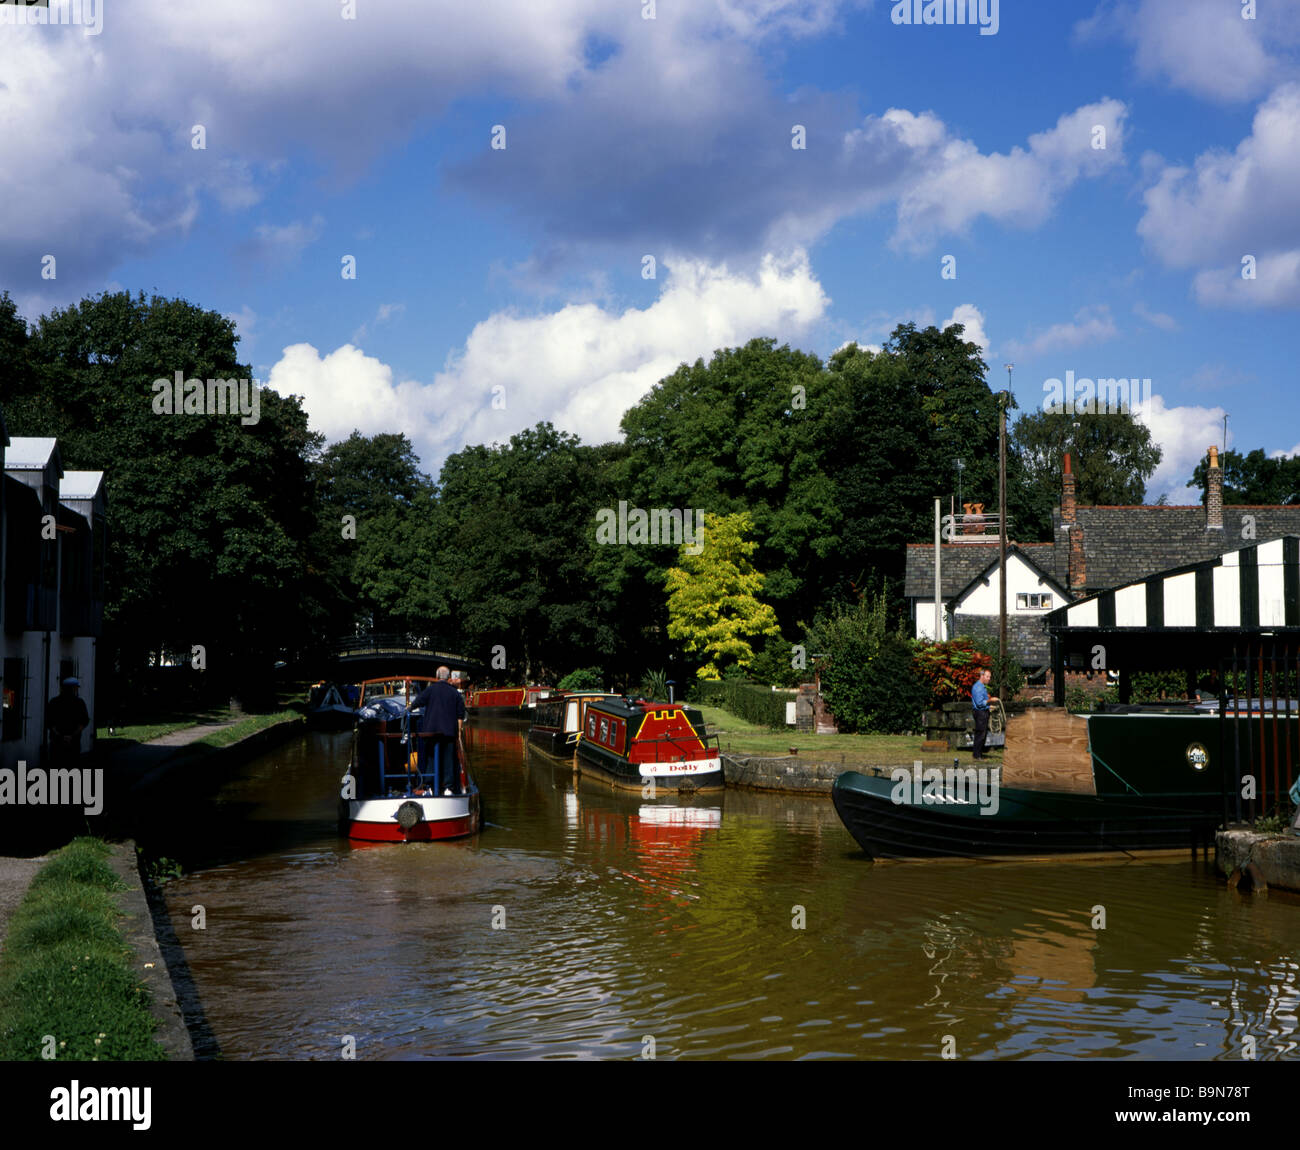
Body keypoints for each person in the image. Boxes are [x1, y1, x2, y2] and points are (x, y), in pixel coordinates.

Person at [408, 666, 466, 795]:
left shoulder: (430, 690)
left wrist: (409, 708)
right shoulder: (454, 693)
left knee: (431, 758)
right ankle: (448, 788)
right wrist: (458, 732)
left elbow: (417, 702)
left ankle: (430, 786)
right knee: (448, 759)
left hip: (431, 732)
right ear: (448, 677)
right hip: (448, 732)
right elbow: (460, 714)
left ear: (437, 677)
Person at [46, 677, 90, 768]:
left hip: (57, 743)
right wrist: (71, 736)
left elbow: (49, 722)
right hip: (73, 743)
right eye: (76, 688)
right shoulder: (79, 703)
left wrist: (61, 736)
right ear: (73, 689)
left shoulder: (54, 702)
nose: (76, 690)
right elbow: (84, 722)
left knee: (56, 768)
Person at [970, 668, 998, 761]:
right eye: (987, 676)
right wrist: (990, 700)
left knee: (982, 733)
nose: (989, 679)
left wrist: (989, 706)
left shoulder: (981, 687)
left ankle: (978, 754)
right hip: (980, 713)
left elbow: (982, 702)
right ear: (982, 676)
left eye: (990, 677)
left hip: (982, 712)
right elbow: (979, 703)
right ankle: (977, 755)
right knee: (980, 734)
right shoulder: (978, 687)